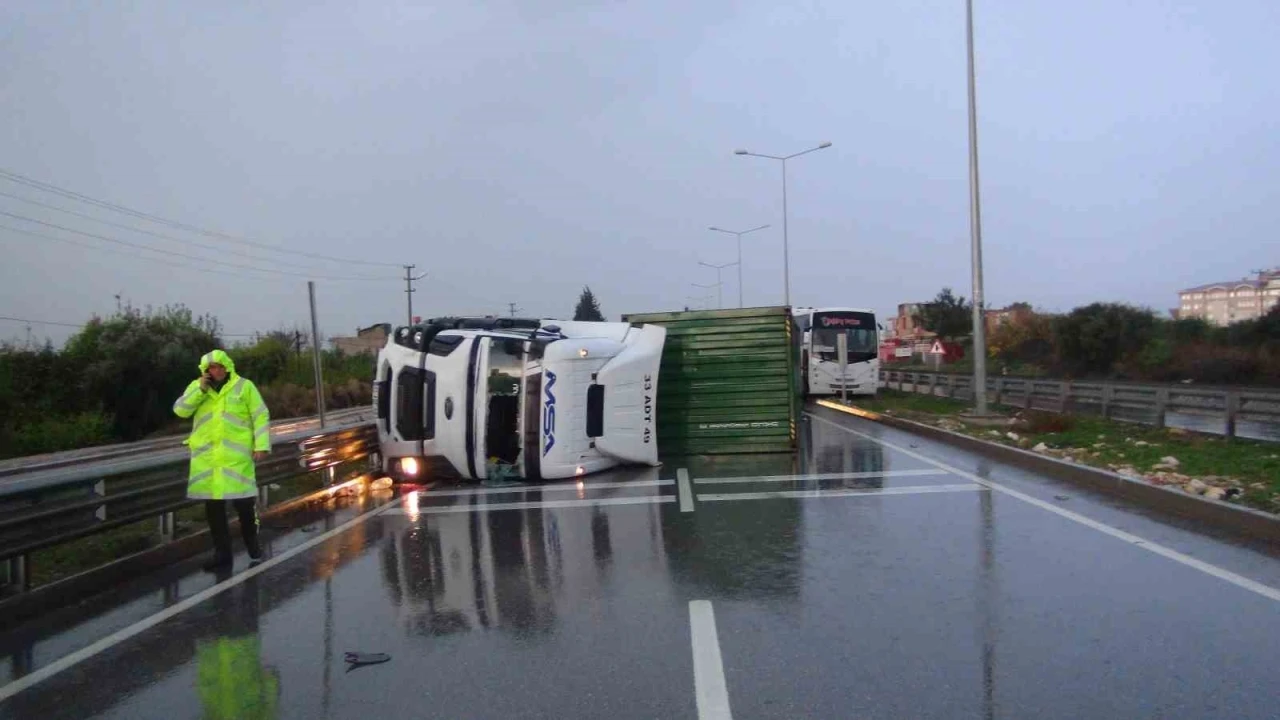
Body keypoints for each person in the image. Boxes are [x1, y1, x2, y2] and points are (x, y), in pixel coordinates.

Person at [173, 349, 271, 571]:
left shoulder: (244, 387)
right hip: (209, 462)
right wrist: (200, 389)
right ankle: (222, 555)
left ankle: (252, 543)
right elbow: (180, 411)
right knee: (214, 512)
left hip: (237, 461)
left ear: (227, 367)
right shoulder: (198, 387)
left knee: (245, 508)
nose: (214, 371)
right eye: (210, 368)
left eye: (218, 367)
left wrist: (262, 445)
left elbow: (260, 415)